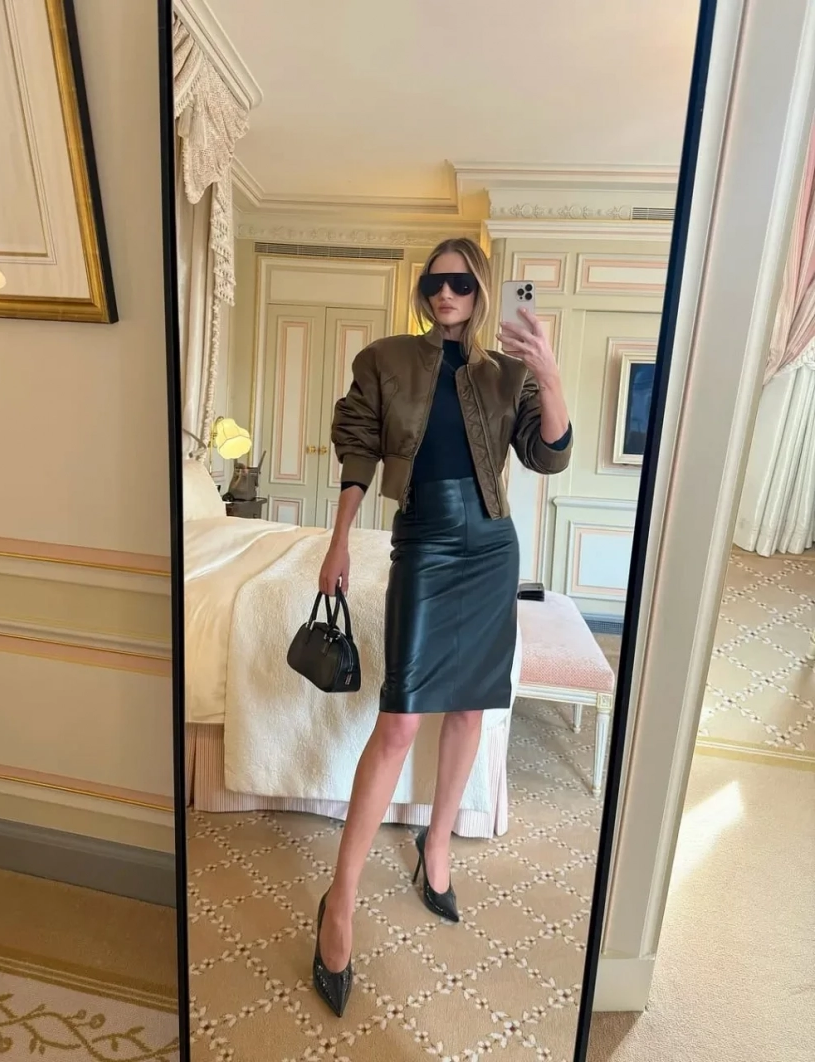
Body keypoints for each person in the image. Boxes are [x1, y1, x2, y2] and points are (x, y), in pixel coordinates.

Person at [312, 237, 572, 1017]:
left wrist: (549, 370)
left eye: (460, 281)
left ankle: (436, 848)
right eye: (435, 281)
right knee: (400, 722)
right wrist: (337, 541)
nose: (446, 292)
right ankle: (339, 901)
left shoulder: (508, 372)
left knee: (469, 709)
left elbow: (550, 456)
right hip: (424, 541)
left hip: (491, 548)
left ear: (481, 288)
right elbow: (357, 446)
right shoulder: (385, 359)